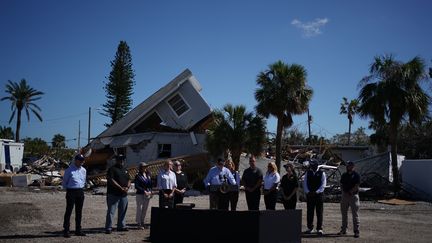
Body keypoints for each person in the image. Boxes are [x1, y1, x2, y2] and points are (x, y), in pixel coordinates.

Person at [105, 154, 131, 234]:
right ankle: (108, 227)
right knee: (111, 211)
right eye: (120, 159)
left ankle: (121, 226)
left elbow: (129, 179)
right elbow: (111, 180)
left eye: (123, 159)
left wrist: (127, 187)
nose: (122, 161)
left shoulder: (125, 169)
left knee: (123, 211)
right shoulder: (112, 169)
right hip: (113, 194)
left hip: (123, 194)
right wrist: (120, 187)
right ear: (117, 160)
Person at [62, 154, 87, 238]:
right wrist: (69, 189)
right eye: (80, 160)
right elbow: (64, 182)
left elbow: (83, 180)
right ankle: (66, 230)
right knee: (69, 211)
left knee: (79, 211)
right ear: (76, 160)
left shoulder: (83, 170)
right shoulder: (69, 170)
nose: (81, 162)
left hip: (80, 191)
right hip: (71, 191)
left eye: (82, 160)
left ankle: (78, 230)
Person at [303, 159, 327, 235]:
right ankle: (310, 227)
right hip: (310, 195)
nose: (311, 166)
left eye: (312, 165)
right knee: (310, 212)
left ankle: (319, 228)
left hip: (319, 196)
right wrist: (308, 192)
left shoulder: (322, 173)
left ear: (316, 165)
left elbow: (323, 185)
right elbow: (305, 183)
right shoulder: (308, 173)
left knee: (319, 212)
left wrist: (316, 192)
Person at [339, 161, 361, 238]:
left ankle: (356, 230)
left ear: (353, 166)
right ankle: (344, 229)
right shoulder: (344, 175)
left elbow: (357, 185)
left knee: (355, 214)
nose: (349, 167)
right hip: (345, 196)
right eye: (348, 166)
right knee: (344, 214)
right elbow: (341, 184)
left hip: (353, 196)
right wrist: (343, 192)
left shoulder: (356, 175)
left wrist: (351, 191)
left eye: (350, 165)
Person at [134, 162, 152, 230]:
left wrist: (150, 191)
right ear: (141, 168)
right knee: (140, 209)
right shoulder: (138, 175)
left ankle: (142, 222)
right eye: (144, 167)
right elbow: (137, 186)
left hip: (147, 194)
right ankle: (138, 223)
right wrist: (144, 191)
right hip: (140, 194)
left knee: (145, 209)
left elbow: (150, 184)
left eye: (146, 166)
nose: (145, 168)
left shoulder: (148, 175)